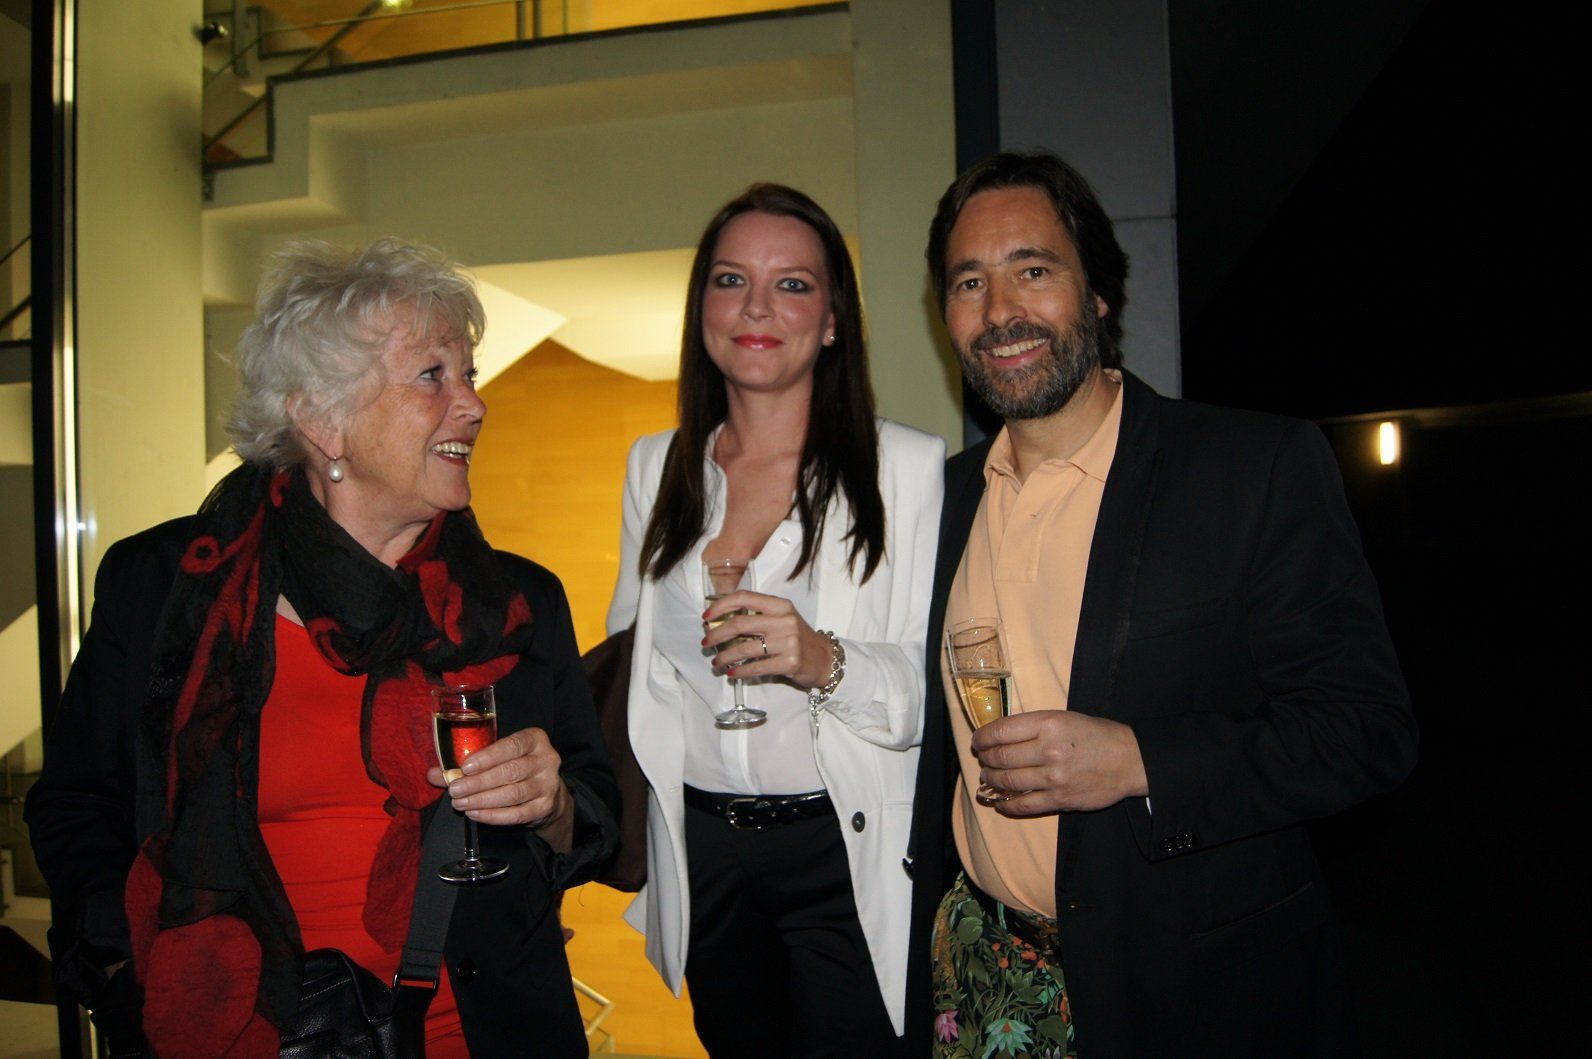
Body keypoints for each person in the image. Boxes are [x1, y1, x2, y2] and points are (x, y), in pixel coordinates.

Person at [26, 239, 619, 1057]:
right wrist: (128, 969)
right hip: (235, 1035)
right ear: (321, 419)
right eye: (432, 375)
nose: (474, 404)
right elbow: (75, 805)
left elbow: (599, 812)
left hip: (482, 1034)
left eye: (470, 373)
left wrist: (552, 804)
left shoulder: (515, 602)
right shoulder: (167, 587)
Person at [903, 153, 1419, 1057]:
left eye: (1034, 269)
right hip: (985, 981)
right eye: (969, 282)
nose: (1000, 310)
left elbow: (1365, 731)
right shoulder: (938, 501)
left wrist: (1141, 760)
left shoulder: (1251, 468)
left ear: (1099, 293)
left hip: (1195, 997)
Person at [606, 184, 943, 1056]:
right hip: (707, 854)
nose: (756, 307)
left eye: (792, 284)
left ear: (832, 320)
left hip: (845, 850)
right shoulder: (656, 467)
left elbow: (936, 695)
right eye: (731, 280)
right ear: (702, 311)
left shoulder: (907, 469)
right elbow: (632, 664)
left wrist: (824, 658)